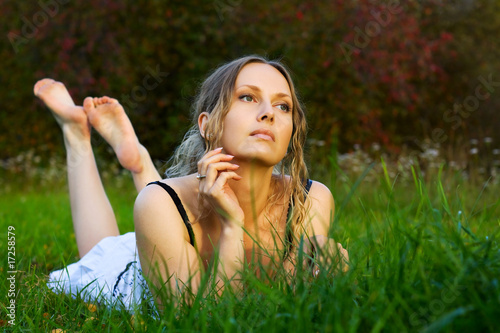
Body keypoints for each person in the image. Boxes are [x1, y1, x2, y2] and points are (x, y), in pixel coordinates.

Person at [34, 55, 349, 311]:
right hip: (141, 278)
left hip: (169, 230)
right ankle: (76, 136)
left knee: (157, 204)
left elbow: (281, 305)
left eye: (284, 106)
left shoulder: (311, 198)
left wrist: (324, 276)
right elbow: (198, 320)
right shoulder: (158, 205)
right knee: (102, 255)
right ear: (208, 124)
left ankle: (143, 166)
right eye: (248, 97)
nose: (269, 113)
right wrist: (232, 227)